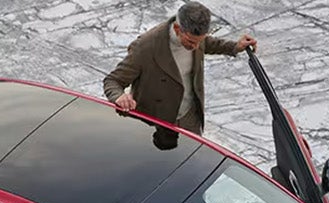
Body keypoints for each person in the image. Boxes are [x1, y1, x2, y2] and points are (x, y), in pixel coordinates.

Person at [102, 2, 257, 134]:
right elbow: (113, 81)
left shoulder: (196, 39)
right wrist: (119, 96)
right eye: (190, 41)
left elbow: (208, 43)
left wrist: (235, 46)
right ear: (177, 29)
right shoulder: (146, 47)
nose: (195, 46)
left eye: (199, 41)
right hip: (156, 125)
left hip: (190, 118)